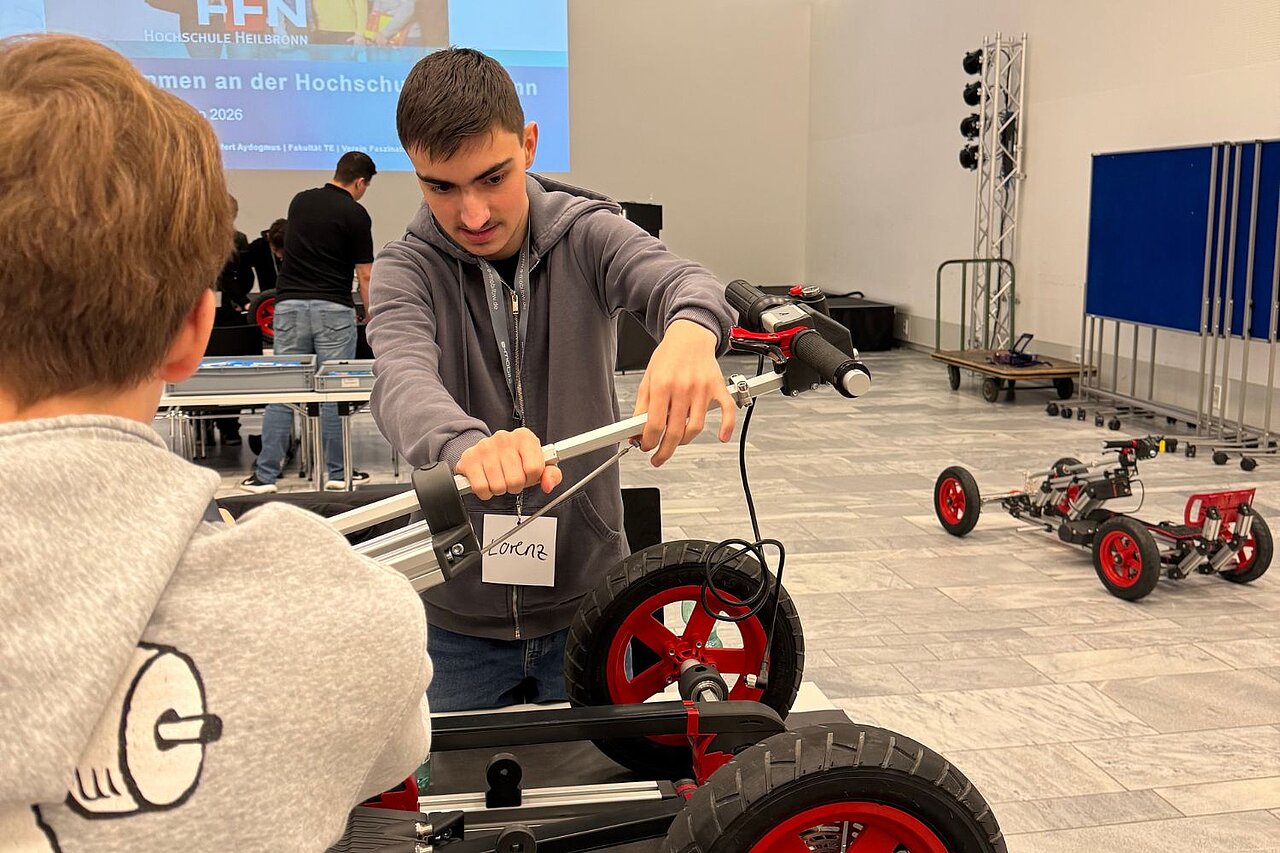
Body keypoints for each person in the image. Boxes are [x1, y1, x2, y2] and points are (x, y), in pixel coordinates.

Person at [0, 34, 430, 852]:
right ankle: (322, 469)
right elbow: (396, 755)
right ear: (196, 329)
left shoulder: (301, 206)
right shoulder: (343, 618)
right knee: (328, 406)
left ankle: (273, 463)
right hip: (334, 314)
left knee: (283, 400)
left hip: (291, 308)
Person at [368, 48, 737, 712]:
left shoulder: (590, 235)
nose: (473, 213)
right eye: (441, 187)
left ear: (530, 143)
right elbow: (400, 376)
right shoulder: (405, 269)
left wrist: (689, 330)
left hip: (592, 608)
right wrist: (463, 444)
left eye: (492, 177)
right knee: (448, 804)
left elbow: (683, 282)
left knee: (617, 799)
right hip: (454, 623)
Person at [241, 152, 376, 494]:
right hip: (333, 307)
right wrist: (371, 312)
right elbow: (365, 273)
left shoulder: (300, 202)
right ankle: (336, 472)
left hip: (288, 307)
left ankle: (264, 475)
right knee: (332, 391)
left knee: (284, 390)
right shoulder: (356, 213)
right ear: (360, 182)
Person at [244, 217, 288, 294]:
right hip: (268, 299)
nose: (279, 256)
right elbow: (240, 267)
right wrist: (243, 300)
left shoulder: (301, 247)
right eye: (276, 250)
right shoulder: (257, 248)